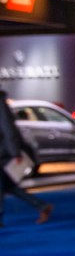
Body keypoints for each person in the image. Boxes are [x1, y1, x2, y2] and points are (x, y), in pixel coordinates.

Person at [0, 92, 51, 227]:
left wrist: (15, 152)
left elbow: (8, 129)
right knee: (9, 186)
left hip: (3, 152)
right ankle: (42, 206)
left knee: (6, 185)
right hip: (4, 151)